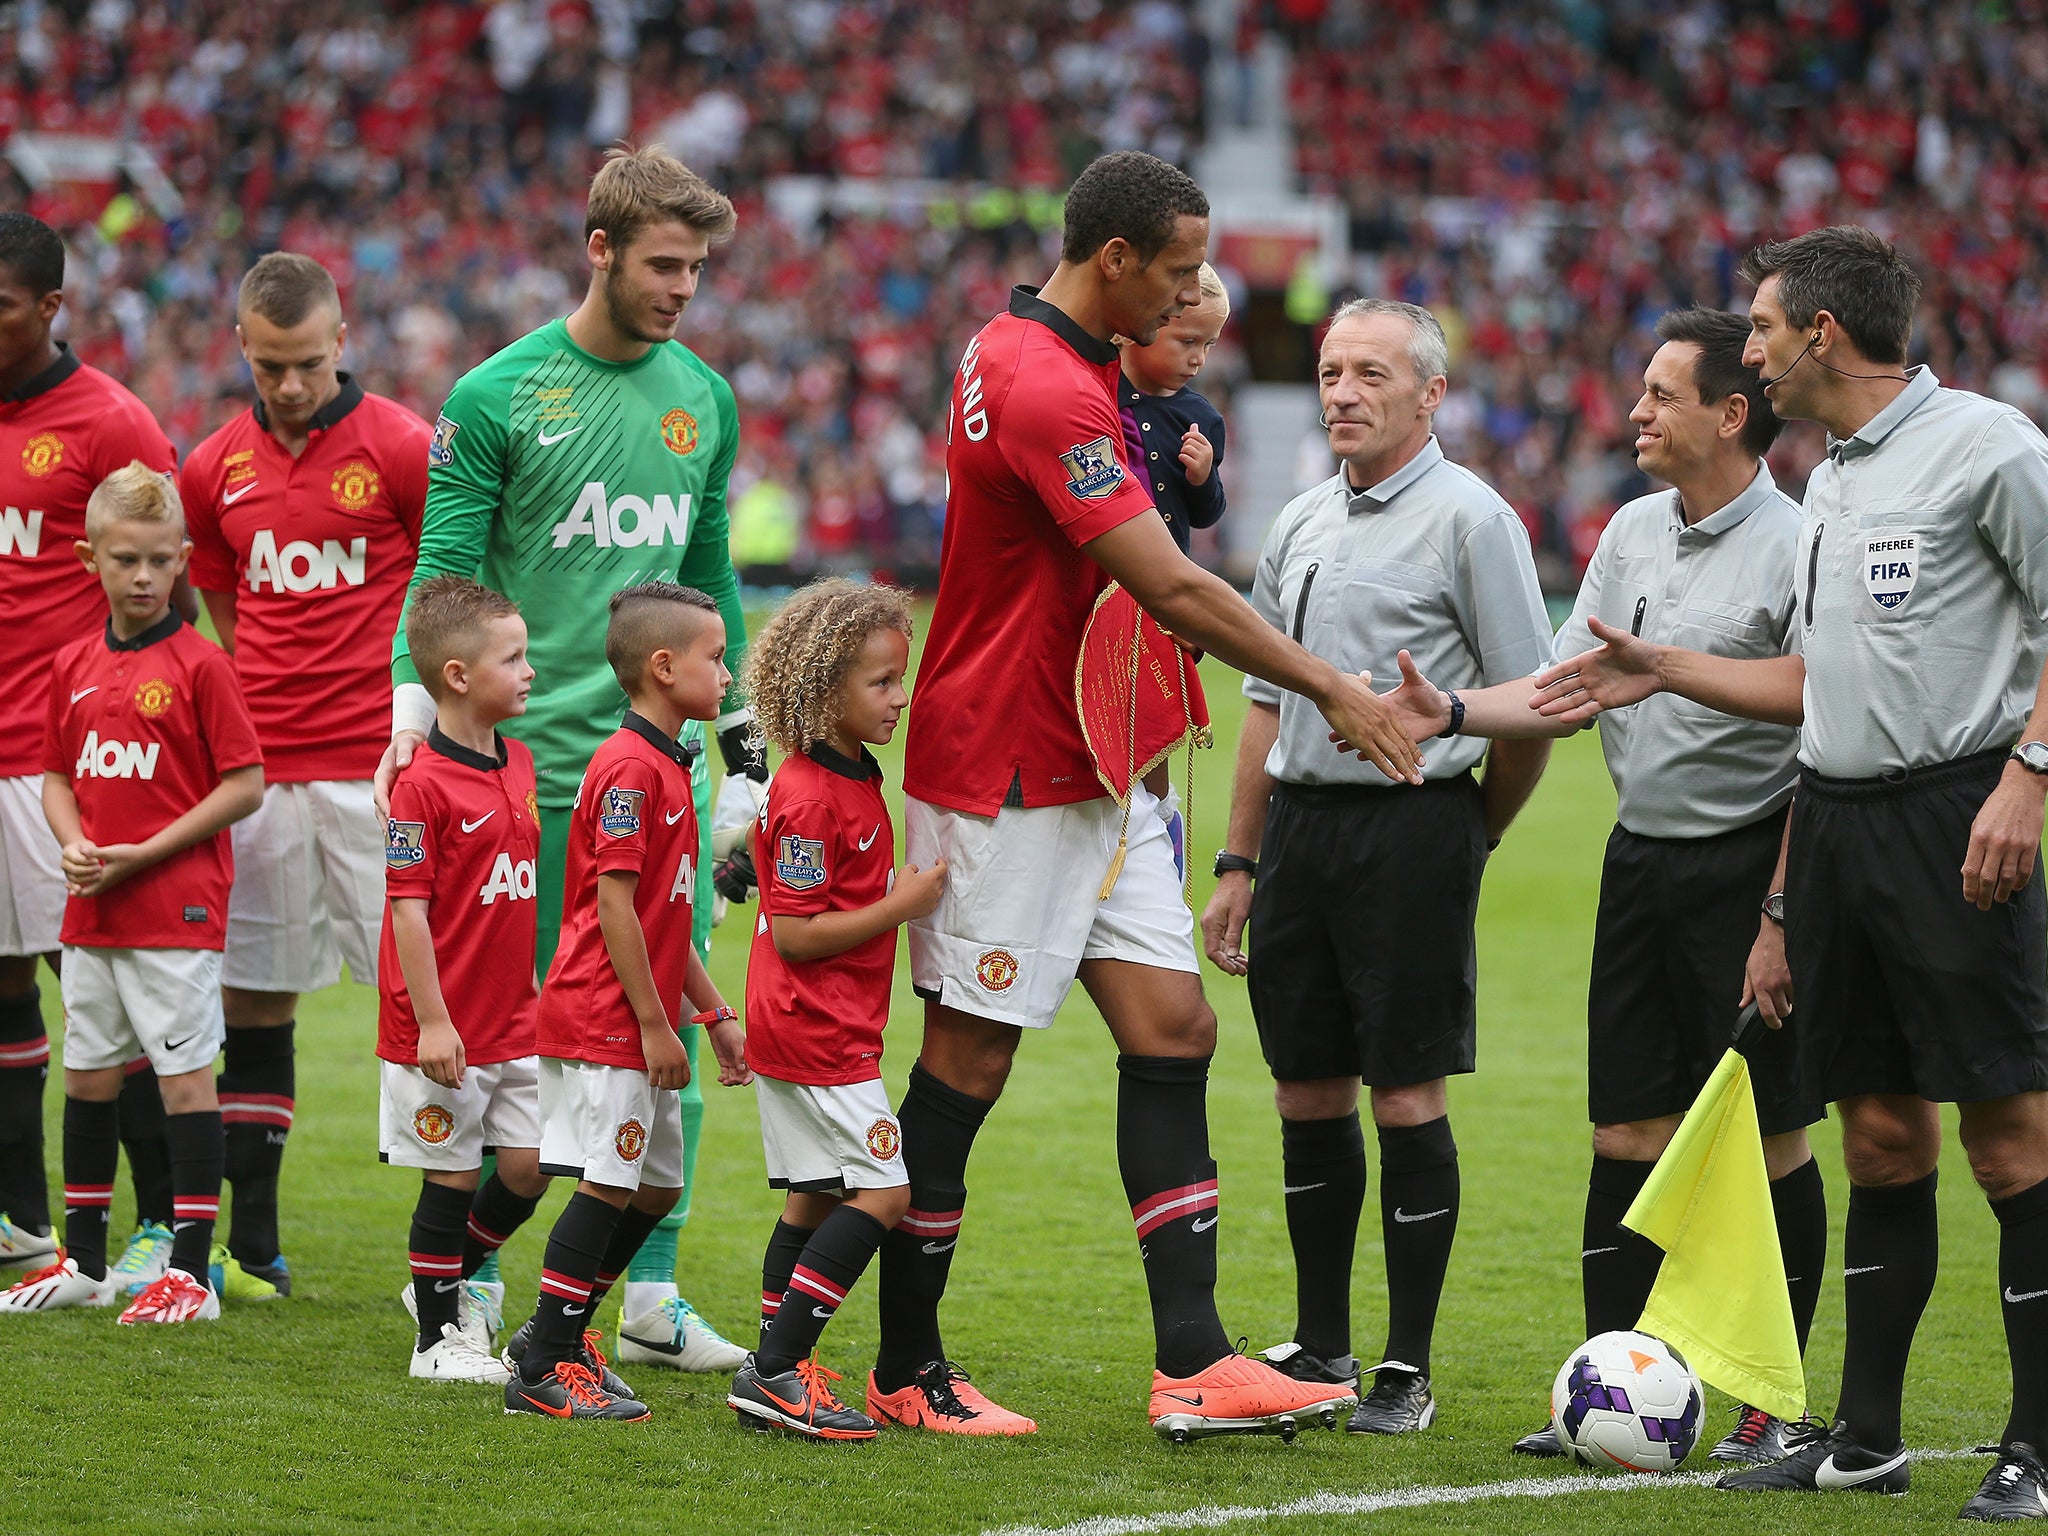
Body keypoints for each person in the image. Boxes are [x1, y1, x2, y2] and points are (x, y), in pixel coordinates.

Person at [880, 149, 1421, 1441]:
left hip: (1091, 767)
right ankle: (905, 1363)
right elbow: (1170, 587)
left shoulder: (1043, 354)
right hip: (1007, 765)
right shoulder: (1040, 384)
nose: (1193, 299)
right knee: (968, 1058)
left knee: (1174, 1031)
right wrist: (1334, 690)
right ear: (1114, 259)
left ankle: (1194, 1360)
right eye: (1177, 274)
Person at [1532, 225, 2048, 1520]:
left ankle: (2035, 1442)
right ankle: (1863, 1435)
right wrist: (1662, 668)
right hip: (1835, 825)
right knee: (1877, 1137)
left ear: (1822, 333)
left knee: (2009, 1137)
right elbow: (1814, 689)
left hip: (1954, 817)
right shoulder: (1835, 482)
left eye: (1761, 329)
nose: (1751, 353)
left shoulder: (1991, 447)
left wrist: (2031, 780)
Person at [1379, 307, 1828, 1463]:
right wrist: (1455, 714)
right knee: (1622, 1131)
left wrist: (1779, 908)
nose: (1632, 413)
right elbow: (1564, 687)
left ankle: (1773, 1404)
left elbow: (1824, 713)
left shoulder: (1798, 540)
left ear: (1732, 414)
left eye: (1659, 395)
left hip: (1753, 865)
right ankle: (1609, 1388)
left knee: (1764, 1137)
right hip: (1639, 864)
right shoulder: (1628, 531)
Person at [382, 144, 762, 1368]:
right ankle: (465, 1276)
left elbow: (709, 580)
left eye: (696, 269)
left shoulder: (703, 396)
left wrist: (743, 739)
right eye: (663, 264)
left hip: (665, 776)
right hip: (529, 781)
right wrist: (408, 713)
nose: (682, 289)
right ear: (597, 249)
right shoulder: (497, 395)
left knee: (672, 1034)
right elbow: (444, 566)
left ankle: (646, 1291)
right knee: (518, 1051)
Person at [1198, 297, 1554, 1434]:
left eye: (1369, 374)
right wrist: (1238, 859)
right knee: (1304, 1088)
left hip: (1411, 829)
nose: (1341, 391)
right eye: (1330, 370)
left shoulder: (1472, 520)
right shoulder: (1300, 518)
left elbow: (1527, 710)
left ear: (1429, 394)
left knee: (1403, 1090)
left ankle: (1404, 1363)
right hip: (1298, 834)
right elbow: (1262, 708)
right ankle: (1319, 1343)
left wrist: (1465, 835)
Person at [180, 252, 430, 1303]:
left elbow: (444, 586)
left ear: (342, 339)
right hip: (264, 776)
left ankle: (449, 1256)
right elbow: (225, 603)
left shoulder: (404, 447)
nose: (289, 384)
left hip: (381, 772)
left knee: (425, 1000)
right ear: (242, 345)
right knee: (257, 1006)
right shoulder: (210, 469)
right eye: (271, 364)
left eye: (308, 363)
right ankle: (257, 1243)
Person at [0, 463, 261, 1322]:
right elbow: (54, 775)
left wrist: (142, 851)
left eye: (158, 560)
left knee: (185, 1083)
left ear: (184, 558)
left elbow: (245, 783)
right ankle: (82, 1261)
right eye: (124, 560)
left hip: (176, 915)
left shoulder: (201, 666)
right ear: (88, 560)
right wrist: (74, 842)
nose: (143, 577)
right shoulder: (71, 663)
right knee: (87, 1080)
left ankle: (190, 1272)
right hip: (92, 914)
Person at [501, 583, 749, 1421]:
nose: (727, 674)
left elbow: (668, 920)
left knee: (651, 1187)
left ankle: (557, 1337)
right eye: (716, 659)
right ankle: (543, 1366)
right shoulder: (629, 768)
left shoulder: (673, 762)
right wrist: (654, 1024)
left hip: (646, 1015)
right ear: (662, 666)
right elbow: (614, 907)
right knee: (610, 1183)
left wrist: (712, 1016)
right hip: (608, 1017)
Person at [0, 213, 179, 1275]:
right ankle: (24, 1216)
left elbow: (168, 592)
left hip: (65, 759)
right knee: (2, 990)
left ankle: (161, 1219)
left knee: (105, 988)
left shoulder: (111, 424)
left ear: (51, 307)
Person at [726, 578, 941, 1439]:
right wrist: (905, 903)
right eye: (881, 683)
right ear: (823, 692)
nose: (900, 698)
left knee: (813, 1197)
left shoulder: (840, 777)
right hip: (817, 1030)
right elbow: (801, 936)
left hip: (812, 1023)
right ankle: (780, 1368)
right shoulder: (815, 793)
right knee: (885, 1192)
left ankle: (776, 1364)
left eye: (900, 677)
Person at [376, 577, 547, 1382]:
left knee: (531, 1165)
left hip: (513, 1015)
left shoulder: (520, 761)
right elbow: (409, 913)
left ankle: (437, 1282)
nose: (530, 671)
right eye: (512, 658)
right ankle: (436, 1343)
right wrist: (434, 1022)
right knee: (450, 1172)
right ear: (456, 676)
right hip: (439, 1023)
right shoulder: (418, 785)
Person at [1118, 261, 1229, 554]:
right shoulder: (1096, 393)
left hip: (1161, 586)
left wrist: (1202, 478)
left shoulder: (1202, 418)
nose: (1199, 358)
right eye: (1188, 342)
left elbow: (1207, 515)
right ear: (1144, 321)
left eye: (1209, 345)